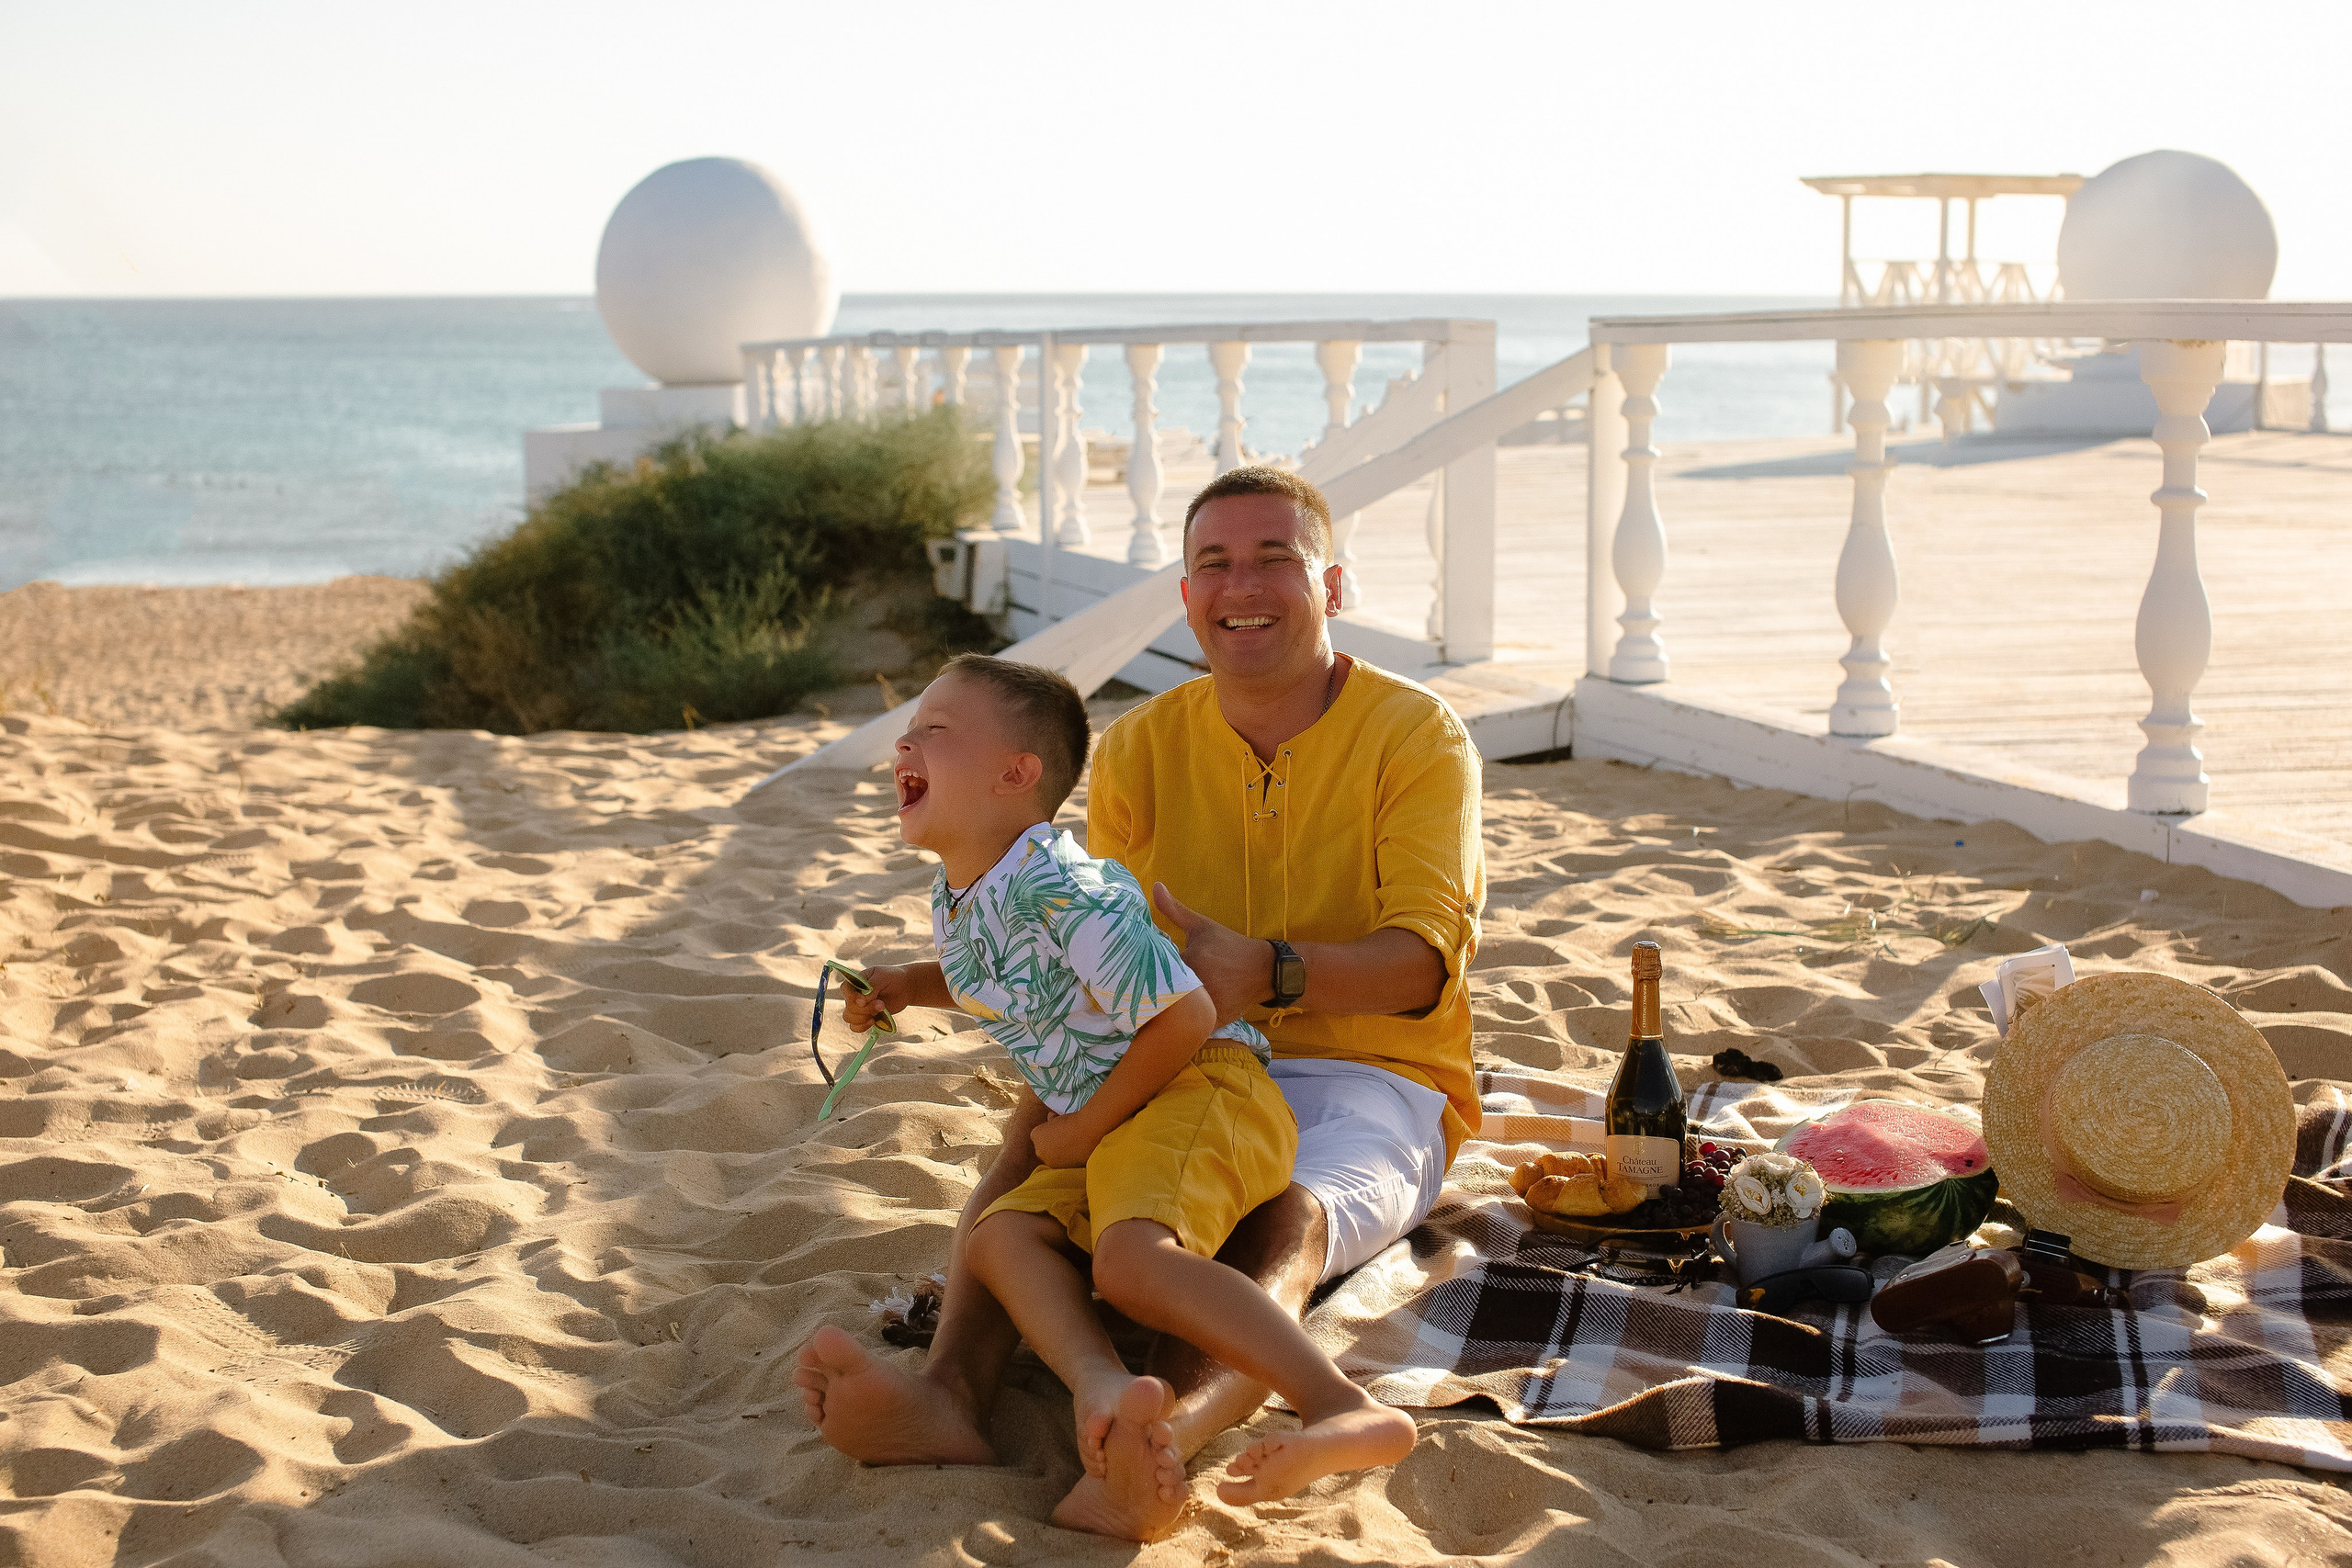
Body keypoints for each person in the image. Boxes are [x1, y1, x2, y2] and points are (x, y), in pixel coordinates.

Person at [797, 467, 1485, 1540]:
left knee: (1284, 1211)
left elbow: (1420, 967)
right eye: (1213, 562)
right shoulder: (1144, 744)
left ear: (1333, 585)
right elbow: (1074, 964)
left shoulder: (1416, 734)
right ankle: (947, 1393)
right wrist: (923, 989)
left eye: (1274, 559)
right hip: (1188, 1052)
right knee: (1033, 1135)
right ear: (1185, 592)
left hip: (1375, 1074)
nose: (1240, 584)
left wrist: (1267, 970)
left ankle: (1166, 1436)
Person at [828, 652, 1418, 1529]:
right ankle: (1105, 1389)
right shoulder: (966, 890)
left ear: (1016, 774)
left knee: (1132, 1261)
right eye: (907, 732)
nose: (904, 744)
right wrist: (913, 983)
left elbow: (1183, 1015)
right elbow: (1005, 975)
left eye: (933, 732)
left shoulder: (1066, 884)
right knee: (1000, 1239)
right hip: (1117, 1099)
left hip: (1198, 1078)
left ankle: (1339, 1405)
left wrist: (1084, 1126)